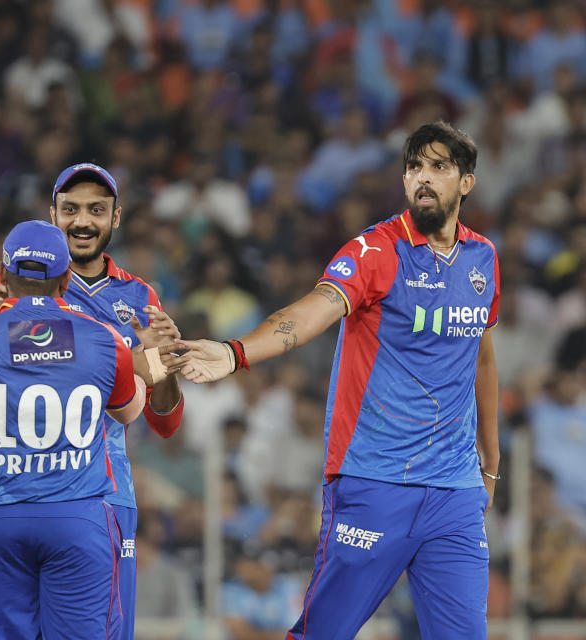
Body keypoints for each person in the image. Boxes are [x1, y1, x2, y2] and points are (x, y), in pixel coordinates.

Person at [167, 121, 500, 639]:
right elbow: (310, 313)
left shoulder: (483, 258)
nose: (424, 178)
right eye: (414, 166)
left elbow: (481, 358)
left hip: (455, 490)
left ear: (467, 183)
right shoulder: (375, 250)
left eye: (440, 166)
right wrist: (237, 353)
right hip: (374, 479)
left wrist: (492, 462)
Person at [0, 163, 183, 638]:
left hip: (103, 494)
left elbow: (164, 421)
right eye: (71, 209)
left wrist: (163, 364)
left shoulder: (140, 295)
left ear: (115, 218)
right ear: (53, 214)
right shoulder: (0, 283)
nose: (83, 221)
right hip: (30, 491)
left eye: (96, 210)